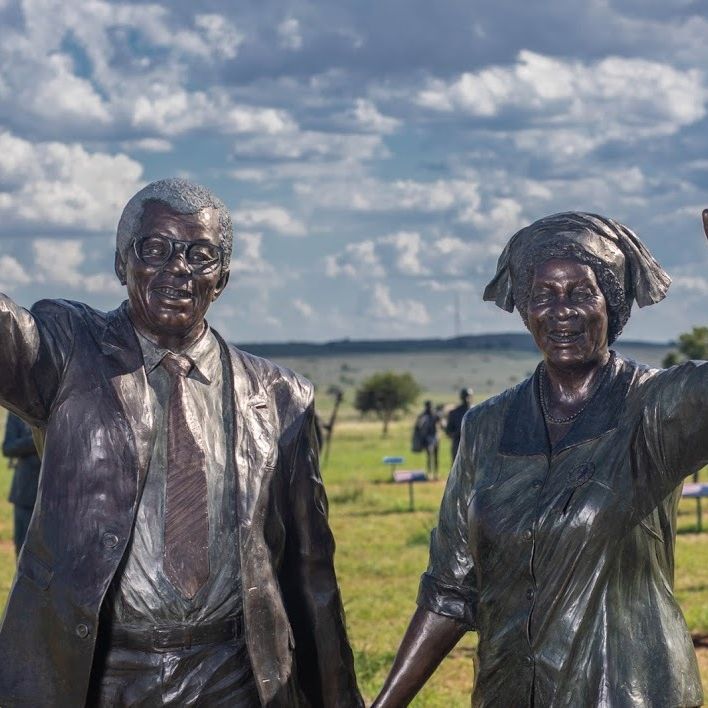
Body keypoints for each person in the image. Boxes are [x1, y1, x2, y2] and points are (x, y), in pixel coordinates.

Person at [0, 178, 362, 707]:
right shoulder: (68, 353)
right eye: (155, 249)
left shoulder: (281, 396)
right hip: (100, 678)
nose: (178, 268)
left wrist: (339, 699)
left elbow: (312, 579)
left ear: (224, 276)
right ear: (121, 263)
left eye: (201, 254)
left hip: (234, 676)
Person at [373, 211, 707, 707]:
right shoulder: (486, 425)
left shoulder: (655, 408)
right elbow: (450, 587)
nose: (561, 311)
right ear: (525, 308)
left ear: (611, 303)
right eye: (543, 295)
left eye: (580, 293)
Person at [2, 412, 40, 556]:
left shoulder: (55, 411)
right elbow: (8, 447)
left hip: (55, 497)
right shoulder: (15, 414)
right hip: (25, 494)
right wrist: (37, 439)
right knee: (23, 549)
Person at [444, 388, 473, 463]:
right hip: (458, 445)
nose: (467, 399)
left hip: (473, 447)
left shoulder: (477, 412)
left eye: (468, 396)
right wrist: (457, 433)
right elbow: (448, 431)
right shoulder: (454, 413)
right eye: (465, 396)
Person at [414, 401, 440, 480]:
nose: (429, 408)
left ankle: (435, 473)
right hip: (428, 438)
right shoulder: (423, 415)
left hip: (435, 437)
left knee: (435, 456)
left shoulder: (435, 415)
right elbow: (417, 427)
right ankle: (430, 473)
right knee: (429, 456)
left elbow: (441, 424)